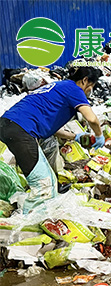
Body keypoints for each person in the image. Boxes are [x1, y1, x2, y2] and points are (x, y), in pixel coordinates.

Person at [0, 67, 104, 213]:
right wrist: (99, 135)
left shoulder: (59, 86)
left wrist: (75, 137)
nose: (89, 91)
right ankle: (26, 226)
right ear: (85, 80)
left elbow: (50, 128)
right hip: (21, 131)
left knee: (49, 162)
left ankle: (42, 202)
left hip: (8, 124)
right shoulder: (74, 89)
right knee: (44, 186)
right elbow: (92, 118)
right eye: (91, 87)